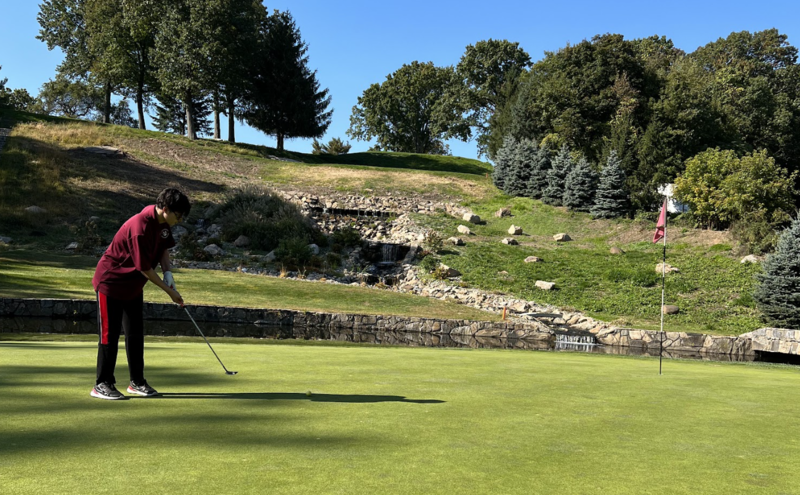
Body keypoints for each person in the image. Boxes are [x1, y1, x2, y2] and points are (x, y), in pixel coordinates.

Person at [90, 188, 190, 400]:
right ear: (165, 209)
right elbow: (145, 269)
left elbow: (163, 248)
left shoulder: (163, 223)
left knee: (135, 334)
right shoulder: (140, 227)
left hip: (133, 286)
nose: (179, 220)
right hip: (111, 283)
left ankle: (137, 382)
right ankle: (102, 384)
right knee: (109, 335)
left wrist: (168, 272)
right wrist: (169, 292)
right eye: (178, 215)